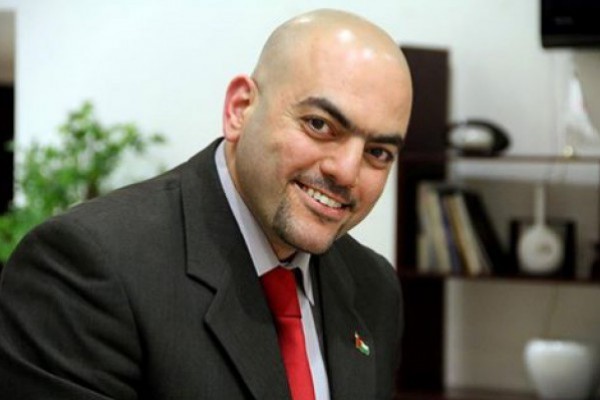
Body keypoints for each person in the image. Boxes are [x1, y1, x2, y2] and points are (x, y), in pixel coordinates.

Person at [0, 8, 412, 400]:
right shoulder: (88, 267)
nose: (347, 171)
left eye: (378, 152)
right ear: (239, 110)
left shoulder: (373, 286)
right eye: (319, 125)